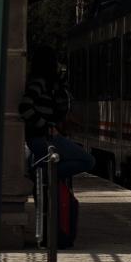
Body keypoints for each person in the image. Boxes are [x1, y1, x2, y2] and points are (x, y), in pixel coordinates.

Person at [20, 45, 94, 180]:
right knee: (87, 161)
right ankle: (41, 172)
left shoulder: (49, 85)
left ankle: (43, 173)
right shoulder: (39, 83)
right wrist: (45, 126)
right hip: (42, 137)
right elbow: (25, 107)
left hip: (42, 137)